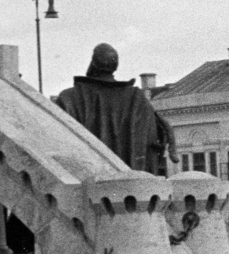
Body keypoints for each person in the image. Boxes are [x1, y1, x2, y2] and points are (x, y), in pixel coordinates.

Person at [54, 44, 176, 175]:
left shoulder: (68, 98)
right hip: (131, 185)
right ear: (115, 66)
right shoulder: (137, 99)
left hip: (86, 183)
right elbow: (154, 141)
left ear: (93, 63)